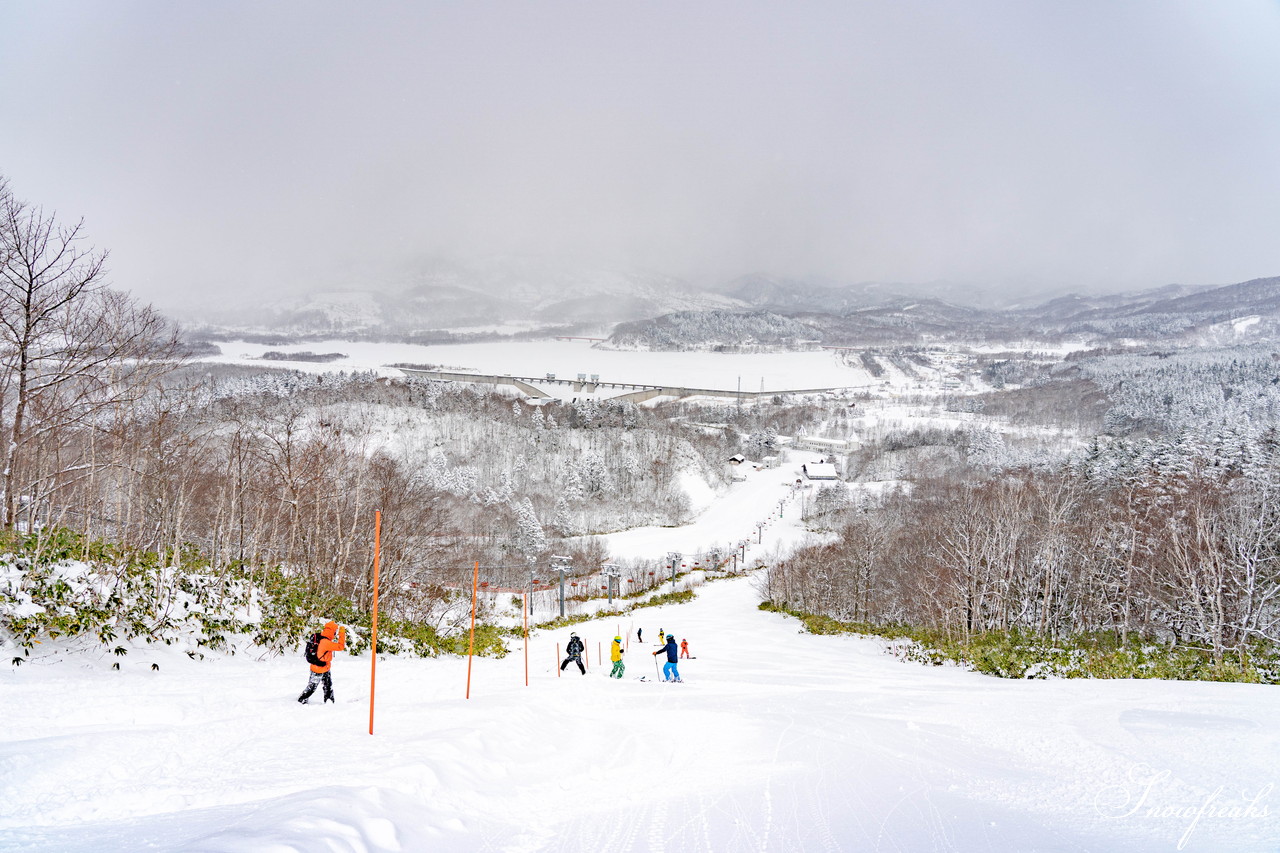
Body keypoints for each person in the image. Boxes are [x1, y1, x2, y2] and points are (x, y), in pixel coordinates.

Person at [298, 621, 346, 704]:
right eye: (335, 632)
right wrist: (342, 633)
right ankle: (302, 699)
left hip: (323, 667)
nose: (335, 634)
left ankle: (329, 701)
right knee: (312, 687)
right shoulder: (325, 642)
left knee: (328, 685)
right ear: (332, 631)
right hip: (319, 668)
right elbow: (340, 646)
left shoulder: (321, 637)